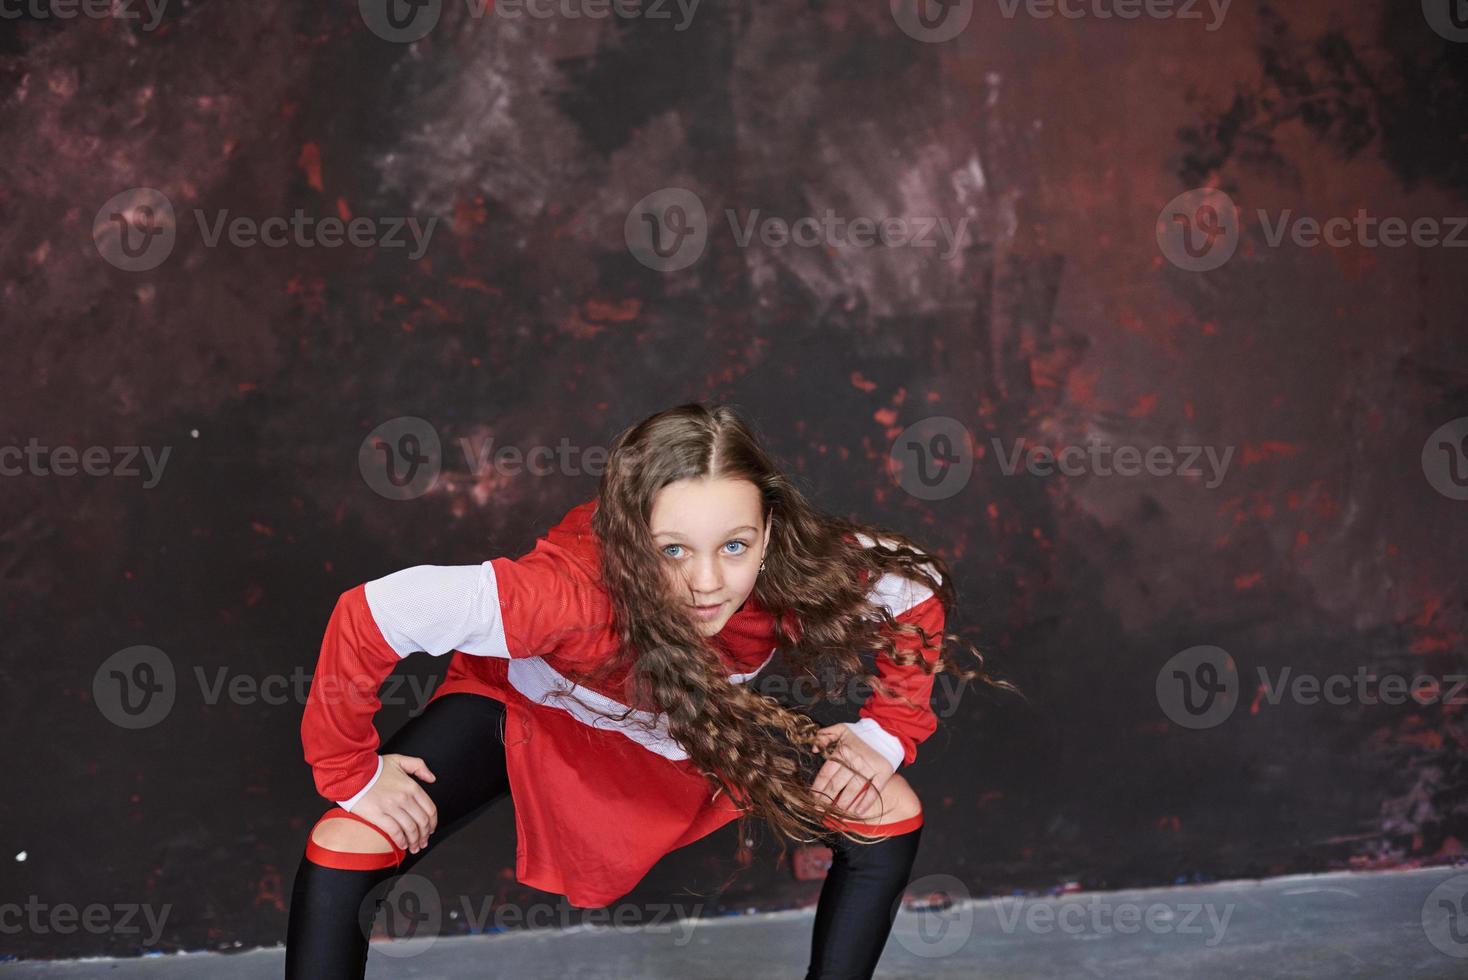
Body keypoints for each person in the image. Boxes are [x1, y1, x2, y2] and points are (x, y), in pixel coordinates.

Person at [284, 402, 1008, 979]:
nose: (706, 583)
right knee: (348, 839)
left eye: (734, 546)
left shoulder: (791, 561)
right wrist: (349, 769)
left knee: (887, 810)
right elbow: (374, 612)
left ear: (767, 531)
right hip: (531, 713)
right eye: (673, 551)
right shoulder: (564, 594)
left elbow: (916, 585)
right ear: (631, 540)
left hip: (690, 723)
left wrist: (888, 730)